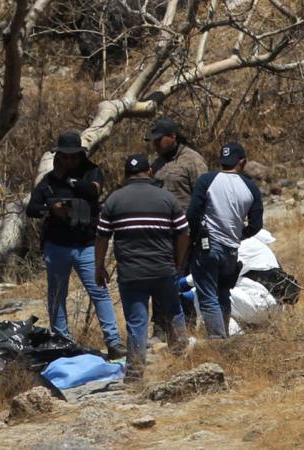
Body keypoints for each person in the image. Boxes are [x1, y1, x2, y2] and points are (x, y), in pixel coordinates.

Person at [26, 131, 124, 359]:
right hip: (57, 246)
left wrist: (69, 181)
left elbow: (93, 191)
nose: (68, 160)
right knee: (57, 295)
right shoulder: (49, 181)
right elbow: (32, 208)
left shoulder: (92, 171)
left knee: (99, 292)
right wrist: (51, 209)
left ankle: (113, 342)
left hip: (86, 245)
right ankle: (62, 342)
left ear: (80, 155)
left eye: (72, 156)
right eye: (64, 156)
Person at [95, 154, 192, 382]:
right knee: (173, 313)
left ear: (125, 174)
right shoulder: (166, 198)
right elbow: (184, 232)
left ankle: (135, 374)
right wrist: (178, 260)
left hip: (131, 273)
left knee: (136, 322)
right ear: (149, 172)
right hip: (163, 269)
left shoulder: (114, 200)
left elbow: (101, 238)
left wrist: (99, 267)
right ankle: (182, 366)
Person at [187, 143, 264, 339]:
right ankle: (224, 337)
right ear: (242, 162)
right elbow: (256, 225)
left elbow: (192, 214)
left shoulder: (207, 180)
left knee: (208, 296)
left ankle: (218, 341)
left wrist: (194, 238)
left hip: (208, 245)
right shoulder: (251, 188)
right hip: (231, 250)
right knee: (223, 293)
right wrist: (239, 235)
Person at [146, 117, 208, 338]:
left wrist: (197, 230)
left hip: (186, 234)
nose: (155, 144)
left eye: (159, 140)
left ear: (172, 137)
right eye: (153, 141)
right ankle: (160, 327)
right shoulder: (156, 164)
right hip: (160, 234)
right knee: (159, 281)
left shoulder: (193, 161)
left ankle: (186, 327)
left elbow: (204, 197)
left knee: (183, 281)